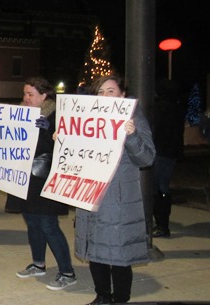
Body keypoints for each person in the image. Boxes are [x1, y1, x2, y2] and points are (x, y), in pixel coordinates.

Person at [73, 75, 156, 304]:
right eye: (100, 92)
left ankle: (120, 298)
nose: (105, 96)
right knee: (94, 249)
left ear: (122, 95)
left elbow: (147, 158)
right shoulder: (87, 117)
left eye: (110, 91)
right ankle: (102, 295)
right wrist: (63, 140)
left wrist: (132, 135)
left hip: (118, 198)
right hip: (91, 193)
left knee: (119, 252)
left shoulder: (134, 117)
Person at [10, 77, 77, 290]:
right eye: (24, 94)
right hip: (26, 177)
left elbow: (69, 148)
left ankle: (67, 271)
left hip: (46, 177)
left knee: (48, 225)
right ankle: (38, 263)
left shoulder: (58, 115)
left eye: (30, 94)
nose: (26, 98)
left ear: (44, 96)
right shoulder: (19, 115)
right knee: (31, 221)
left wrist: (49, 130)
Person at [152, 78, 186, 238]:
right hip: (171, 152)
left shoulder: (159, 108)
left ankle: (161, 224)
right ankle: (162, 223)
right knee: (163, 187)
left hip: (159, 151)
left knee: (157, 188)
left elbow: (155, 129)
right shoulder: (178, 107)